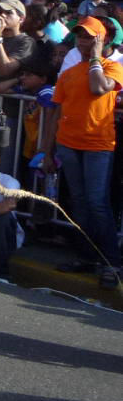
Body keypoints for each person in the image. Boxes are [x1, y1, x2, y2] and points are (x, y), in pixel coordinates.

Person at [42, 17, 123, 288]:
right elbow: (55, 111)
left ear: (101, 41)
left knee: (98, 203)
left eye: (89, 37)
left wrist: (97, 58)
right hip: (68, 144)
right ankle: (86, 257)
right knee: (78, 201)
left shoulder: (112, 68)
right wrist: (47, 149)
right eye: (80, 36)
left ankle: (111, 262)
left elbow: (98, 87)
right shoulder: (68, 73)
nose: (82, 41)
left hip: (98, 146)